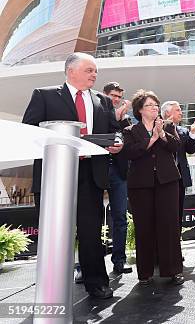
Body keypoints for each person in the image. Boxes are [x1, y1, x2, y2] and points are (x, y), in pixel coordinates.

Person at [22, 52, 123, 299]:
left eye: (95, 71)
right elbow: (29, 130)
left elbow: (114, 131)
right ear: (71, 71)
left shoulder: (103, 100)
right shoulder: (44, 95)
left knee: (90, 232)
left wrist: (117, 142)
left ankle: (97, 283)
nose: (94, 75)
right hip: (55, 175)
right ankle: (52, 287)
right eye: (89, 70)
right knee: (55, 234)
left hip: (91, 174)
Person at [122, 90, 184, 286]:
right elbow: (130, 152)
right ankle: (145, 273)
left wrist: (162, 134)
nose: (154, 108)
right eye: (150, 105)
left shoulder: (167, 126)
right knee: (144, 227)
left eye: (156, 105)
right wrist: (151, 140)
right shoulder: (130, 131)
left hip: (167, 182)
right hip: (141, 185)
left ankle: (172, 270)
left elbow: (176, 147)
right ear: (140, 110)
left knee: (169, 225)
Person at [102, 82, 133, 274]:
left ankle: (119, 260)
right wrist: (116, 116)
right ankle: (85, 265)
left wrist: (122, 120)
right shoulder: (97, 113)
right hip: (96, 170)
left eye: (119, 97)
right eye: (113, 95)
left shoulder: (126, 119)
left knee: (120, 217)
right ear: (104, 95)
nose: (116, 99)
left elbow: (133, 142)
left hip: (119, 173)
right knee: (90, 218)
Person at [161, 101, 195, 229]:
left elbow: (190, 150)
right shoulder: (158, 129)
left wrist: (193, 132)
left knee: (178, 212)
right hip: (163, 178)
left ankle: (176, 243)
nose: (181, 113)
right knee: (165, 212)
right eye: (177, 110)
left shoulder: (183, 131)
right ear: (168, 113)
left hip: (180, 178)